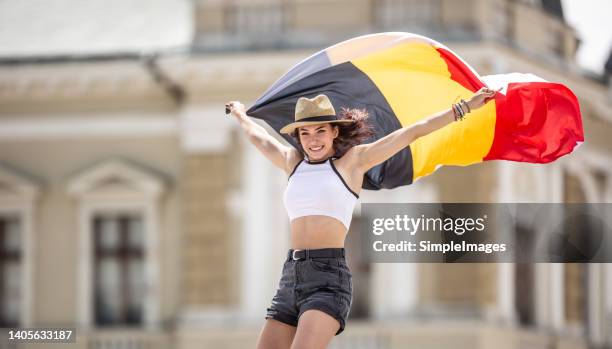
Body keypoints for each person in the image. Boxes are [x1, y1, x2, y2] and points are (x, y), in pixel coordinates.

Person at [225, 87, 497, 349]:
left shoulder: (352, 163)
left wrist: (465, 107)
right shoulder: (292, 162)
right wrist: (240, 114)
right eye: (305, 133)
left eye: (320, 130)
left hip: (327, 280)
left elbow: (413, 132)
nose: (313, 139)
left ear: (334, 132)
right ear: (298, 137)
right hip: (290, 277)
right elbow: (259, 137)